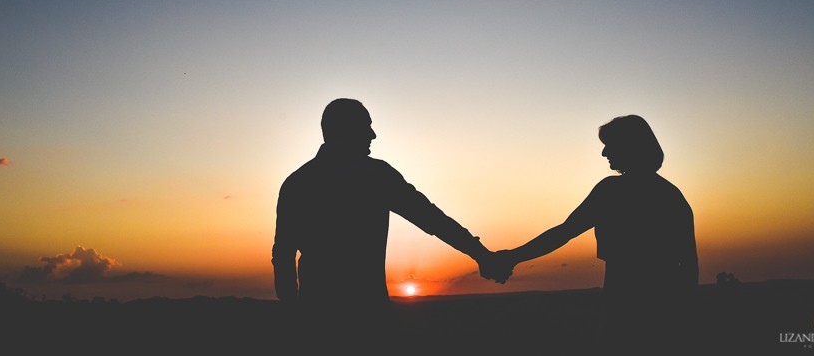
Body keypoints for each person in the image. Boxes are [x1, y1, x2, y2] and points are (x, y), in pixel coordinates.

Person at [272, 98, 501, 341]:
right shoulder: (376, 176)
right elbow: (432, 219)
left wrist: (292, 313)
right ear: (344, 131)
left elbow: (283, 256)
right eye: (365, 127)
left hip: (317, 321)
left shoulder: (297, 183)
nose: (373, 135)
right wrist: (482, 254)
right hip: (367, 321)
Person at [487, 115, 698, 352]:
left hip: (629, 310)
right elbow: (690, 268)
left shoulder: (613, 191)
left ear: (630, 146)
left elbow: (564, 232)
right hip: (661, 313)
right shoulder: (672, 197)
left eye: (610, 145)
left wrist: (511, 257)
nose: (604, 153)